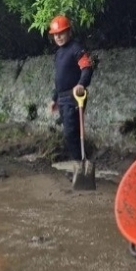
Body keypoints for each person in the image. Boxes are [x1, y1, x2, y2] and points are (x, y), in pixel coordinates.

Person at [49, 15, 94, 161]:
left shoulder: (76, 49)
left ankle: (79, 163)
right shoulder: (58, 53)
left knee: (70, 131)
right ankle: (80, 161)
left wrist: (81, 84)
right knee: (70, 132)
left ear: (69, 32)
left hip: (75, 96)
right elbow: (59, 79)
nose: (58, 37)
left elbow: (86, 67)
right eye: (56, 34)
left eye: (61, 33)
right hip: (62, 97)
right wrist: (54, 98)